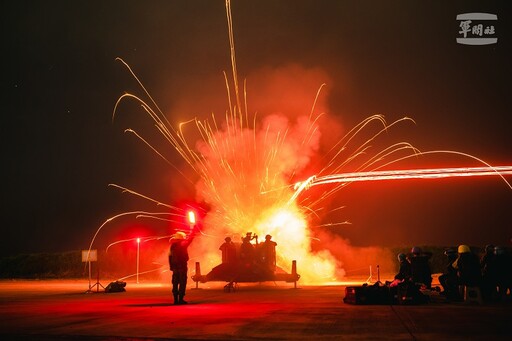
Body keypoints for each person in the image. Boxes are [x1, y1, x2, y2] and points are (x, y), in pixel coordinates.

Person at [168, 226, 199, 305]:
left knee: (175, 282)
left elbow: (170, 256)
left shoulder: (172, 246)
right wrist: (194, 229)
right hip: (182, 266)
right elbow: (190, 238)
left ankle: (175, 300)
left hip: (175, 267)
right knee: (182, 282)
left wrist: (171, 266)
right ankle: (181, 299)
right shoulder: (183, 244)